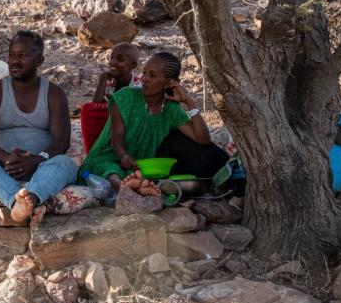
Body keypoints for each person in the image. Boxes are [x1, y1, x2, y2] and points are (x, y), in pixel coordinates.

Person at [0, 31, 77, 226]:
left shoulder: (54, 93)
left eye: (22, 55)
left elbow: (62, 140)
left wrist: (37, 159)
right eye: (12, 55)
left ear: (39, 60)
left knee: (66, 164)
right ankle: (18, 201)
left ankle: (28, 198)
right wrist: (4, 157)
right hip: (1, 165)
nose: (14, 60)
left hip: (40, 166)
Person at [78, 51, 228, 197]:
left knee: (146, 177)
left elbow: (203, 140)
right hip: (108, 157)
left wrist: (189, 102)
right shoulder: (126, 97)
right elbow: (116, 136)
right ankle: (124, 189)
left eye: (152, 75)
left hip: (140, 166)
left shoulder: (171, 109)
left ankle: (137, 188)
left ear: (169, 82)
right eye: (144, 72)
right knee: (111, 172)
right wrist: (123, 155)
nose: (144, 79)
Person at [80, 43, 141, 153]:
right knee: (88, 109)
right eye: (111, 57)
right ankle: (94, 151)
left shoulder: (138, 86)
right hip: (110, 128)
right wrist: (102, 80)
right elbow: (95, 107)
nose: (113, 62)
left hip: (128, 131)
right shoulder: (109, 85)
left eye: (120, 59)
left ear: (133, 65)